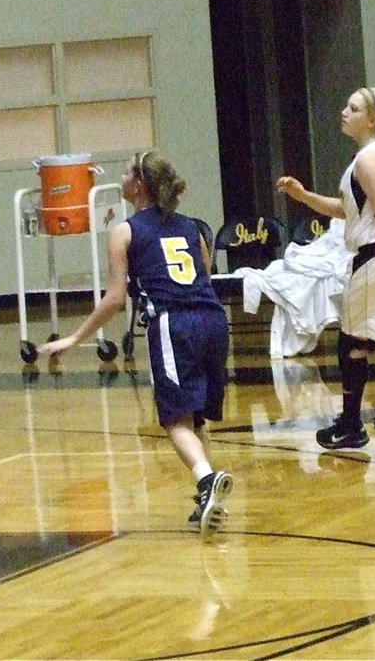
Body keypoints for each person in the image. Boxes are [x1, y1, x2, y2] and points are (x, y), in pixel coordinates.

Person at [40, 151, 233, 537]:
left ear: (140, 185)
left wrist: (77, 338)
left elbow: (114, 299)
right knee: (196, 419)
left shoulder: (124, 231)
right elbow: (205, 274)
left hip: (173, 323)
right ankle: (207, 498)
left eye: (127, 171)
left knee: (174, 420)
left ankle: (206, 480)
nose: (121, 176)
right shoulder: (192, 227)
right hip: (214, 320)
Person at [277, 86, 375, 454]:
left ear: (373, 118)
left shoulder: (368, 160)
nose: (344, 112)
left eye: (354, 108)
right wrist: (304, 197)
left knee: (351, 341)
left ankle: (350, 425)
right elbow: (350, 211)